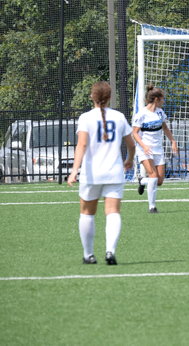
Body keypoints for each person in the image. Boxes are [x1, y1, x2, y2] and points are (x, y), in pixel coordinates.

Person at [67, 81, 135, 265]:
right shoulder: (119, 117)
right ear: (110, 97)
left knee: (87, 213)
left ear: (92, 96)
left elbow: (81, 145)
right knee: (113, 212)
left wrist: (74, 171)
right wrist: (129, 160)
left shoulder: (86, 118)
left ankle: (88, 255)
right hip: (114, 173)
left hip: (91, 174)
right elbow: (131, 145)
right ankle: (110, 251)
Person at [132, 85, 179, 213]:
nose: (164, 101)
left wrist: (173, 141)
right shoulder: (142, 114)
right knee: (153, 175)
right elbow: (134, 133)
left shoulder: (160, 112)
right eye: (162, 99)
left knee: (159, 181)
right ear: (157, 99)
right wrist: (144, 146)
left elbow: (165, 128)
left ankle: (142, 181)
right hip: (144, 149)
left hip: (158, 149)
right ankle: (152, 207)